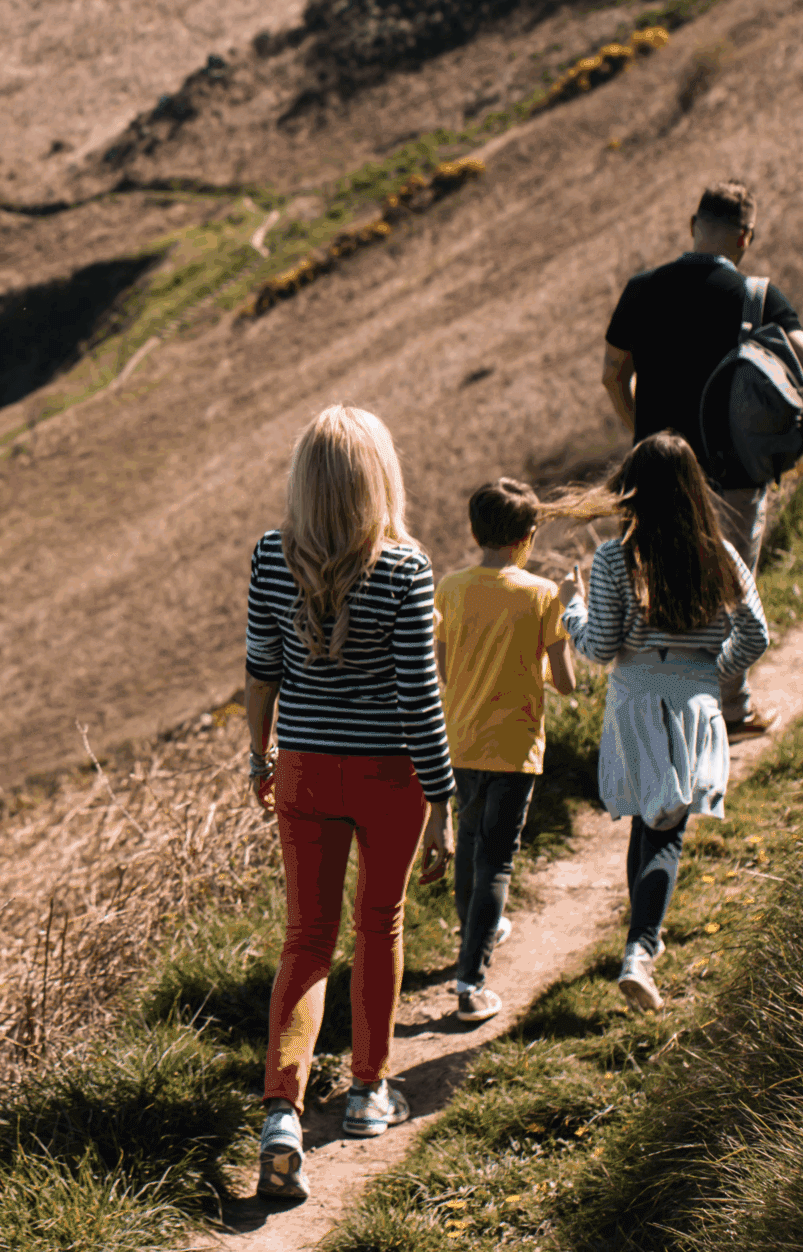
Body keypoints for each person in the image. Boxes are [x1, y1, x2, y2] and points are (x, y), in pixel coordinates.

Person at [243, 406, 456, 1203]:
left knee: (306, 938)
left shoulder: (271, 557)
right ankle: (369, 1092)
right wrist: (443, 798)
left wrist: (260, 754)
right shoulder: (406, 567)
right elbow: (419, 697)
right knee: (379, 924)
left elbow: (262, 669)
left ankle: (281, 1115)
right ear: (379, 478)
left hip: (302, 767)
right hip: (388, 775)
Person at [601, 179, 803, 734]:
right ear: (745, 237)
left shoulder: (642, 288)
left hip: (654, 475)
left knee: (653, 589)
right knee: (729, 587)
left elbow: (613, 375)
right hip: (732, 475)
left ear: (692, 226)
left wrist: (645, 434)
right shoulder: (756, 297)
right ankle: (729, 709)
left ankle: (654, 713)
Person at [561, 432, 769, 1013]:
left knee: (648, 822)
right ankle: (641, 949)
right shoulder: (718, 555)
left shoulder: (614, 558)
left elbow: (600, 645)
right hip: (693, 702)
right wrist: (711, 673)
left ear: (633, 490)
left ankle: (638, 942)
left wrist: (571, 610)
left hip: (635, 701)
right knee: (664, 829)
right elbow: (756, 633)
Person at [434, 478, 575, 1024]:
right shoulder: (541, 595)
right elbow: (563, 682)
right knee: (497, 860)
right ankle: (471, 981)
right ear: (529, 535)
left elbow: (444, 671)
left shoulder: (449, 588)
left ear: (475, 531)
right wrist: (565, 612)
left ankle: (471, 938)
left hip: (460, 739)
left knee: (470, 849)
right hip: (514, 745)